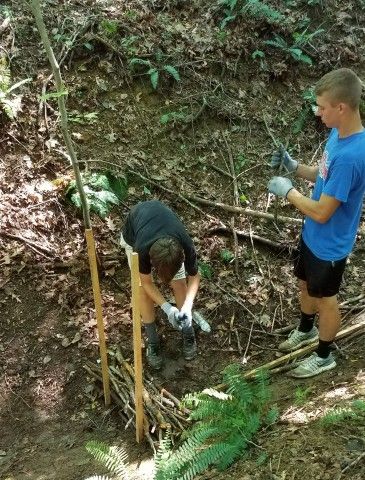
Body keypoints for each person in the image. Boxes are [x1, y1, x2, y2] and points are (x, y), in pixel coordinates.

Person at [268, 68, 365, 378]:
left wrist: (289, 192)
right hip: (313, 235)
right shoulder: (337, 133)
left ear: (341, 108)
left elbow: (324, 211)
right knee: (305, 284)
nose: (317, 112)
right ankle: (306, 330)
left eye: (322, 107)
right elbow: (323, 175)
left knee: (326, 300)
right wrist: (295, 168)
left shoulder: (353, 155)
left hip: (330, 245)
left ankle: (324, 356)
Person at [120, 199, 200, 369]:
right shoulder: (140, 249)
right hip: (134, 231)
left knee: (179, 283)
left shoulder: (184, 244)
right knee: (142, 291)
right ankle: (153, 342)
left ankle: (188, 332)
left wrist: (187, 306)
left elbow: (194, 276)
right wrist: (167, 308)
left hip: (166, 231)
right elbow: (147, 282)